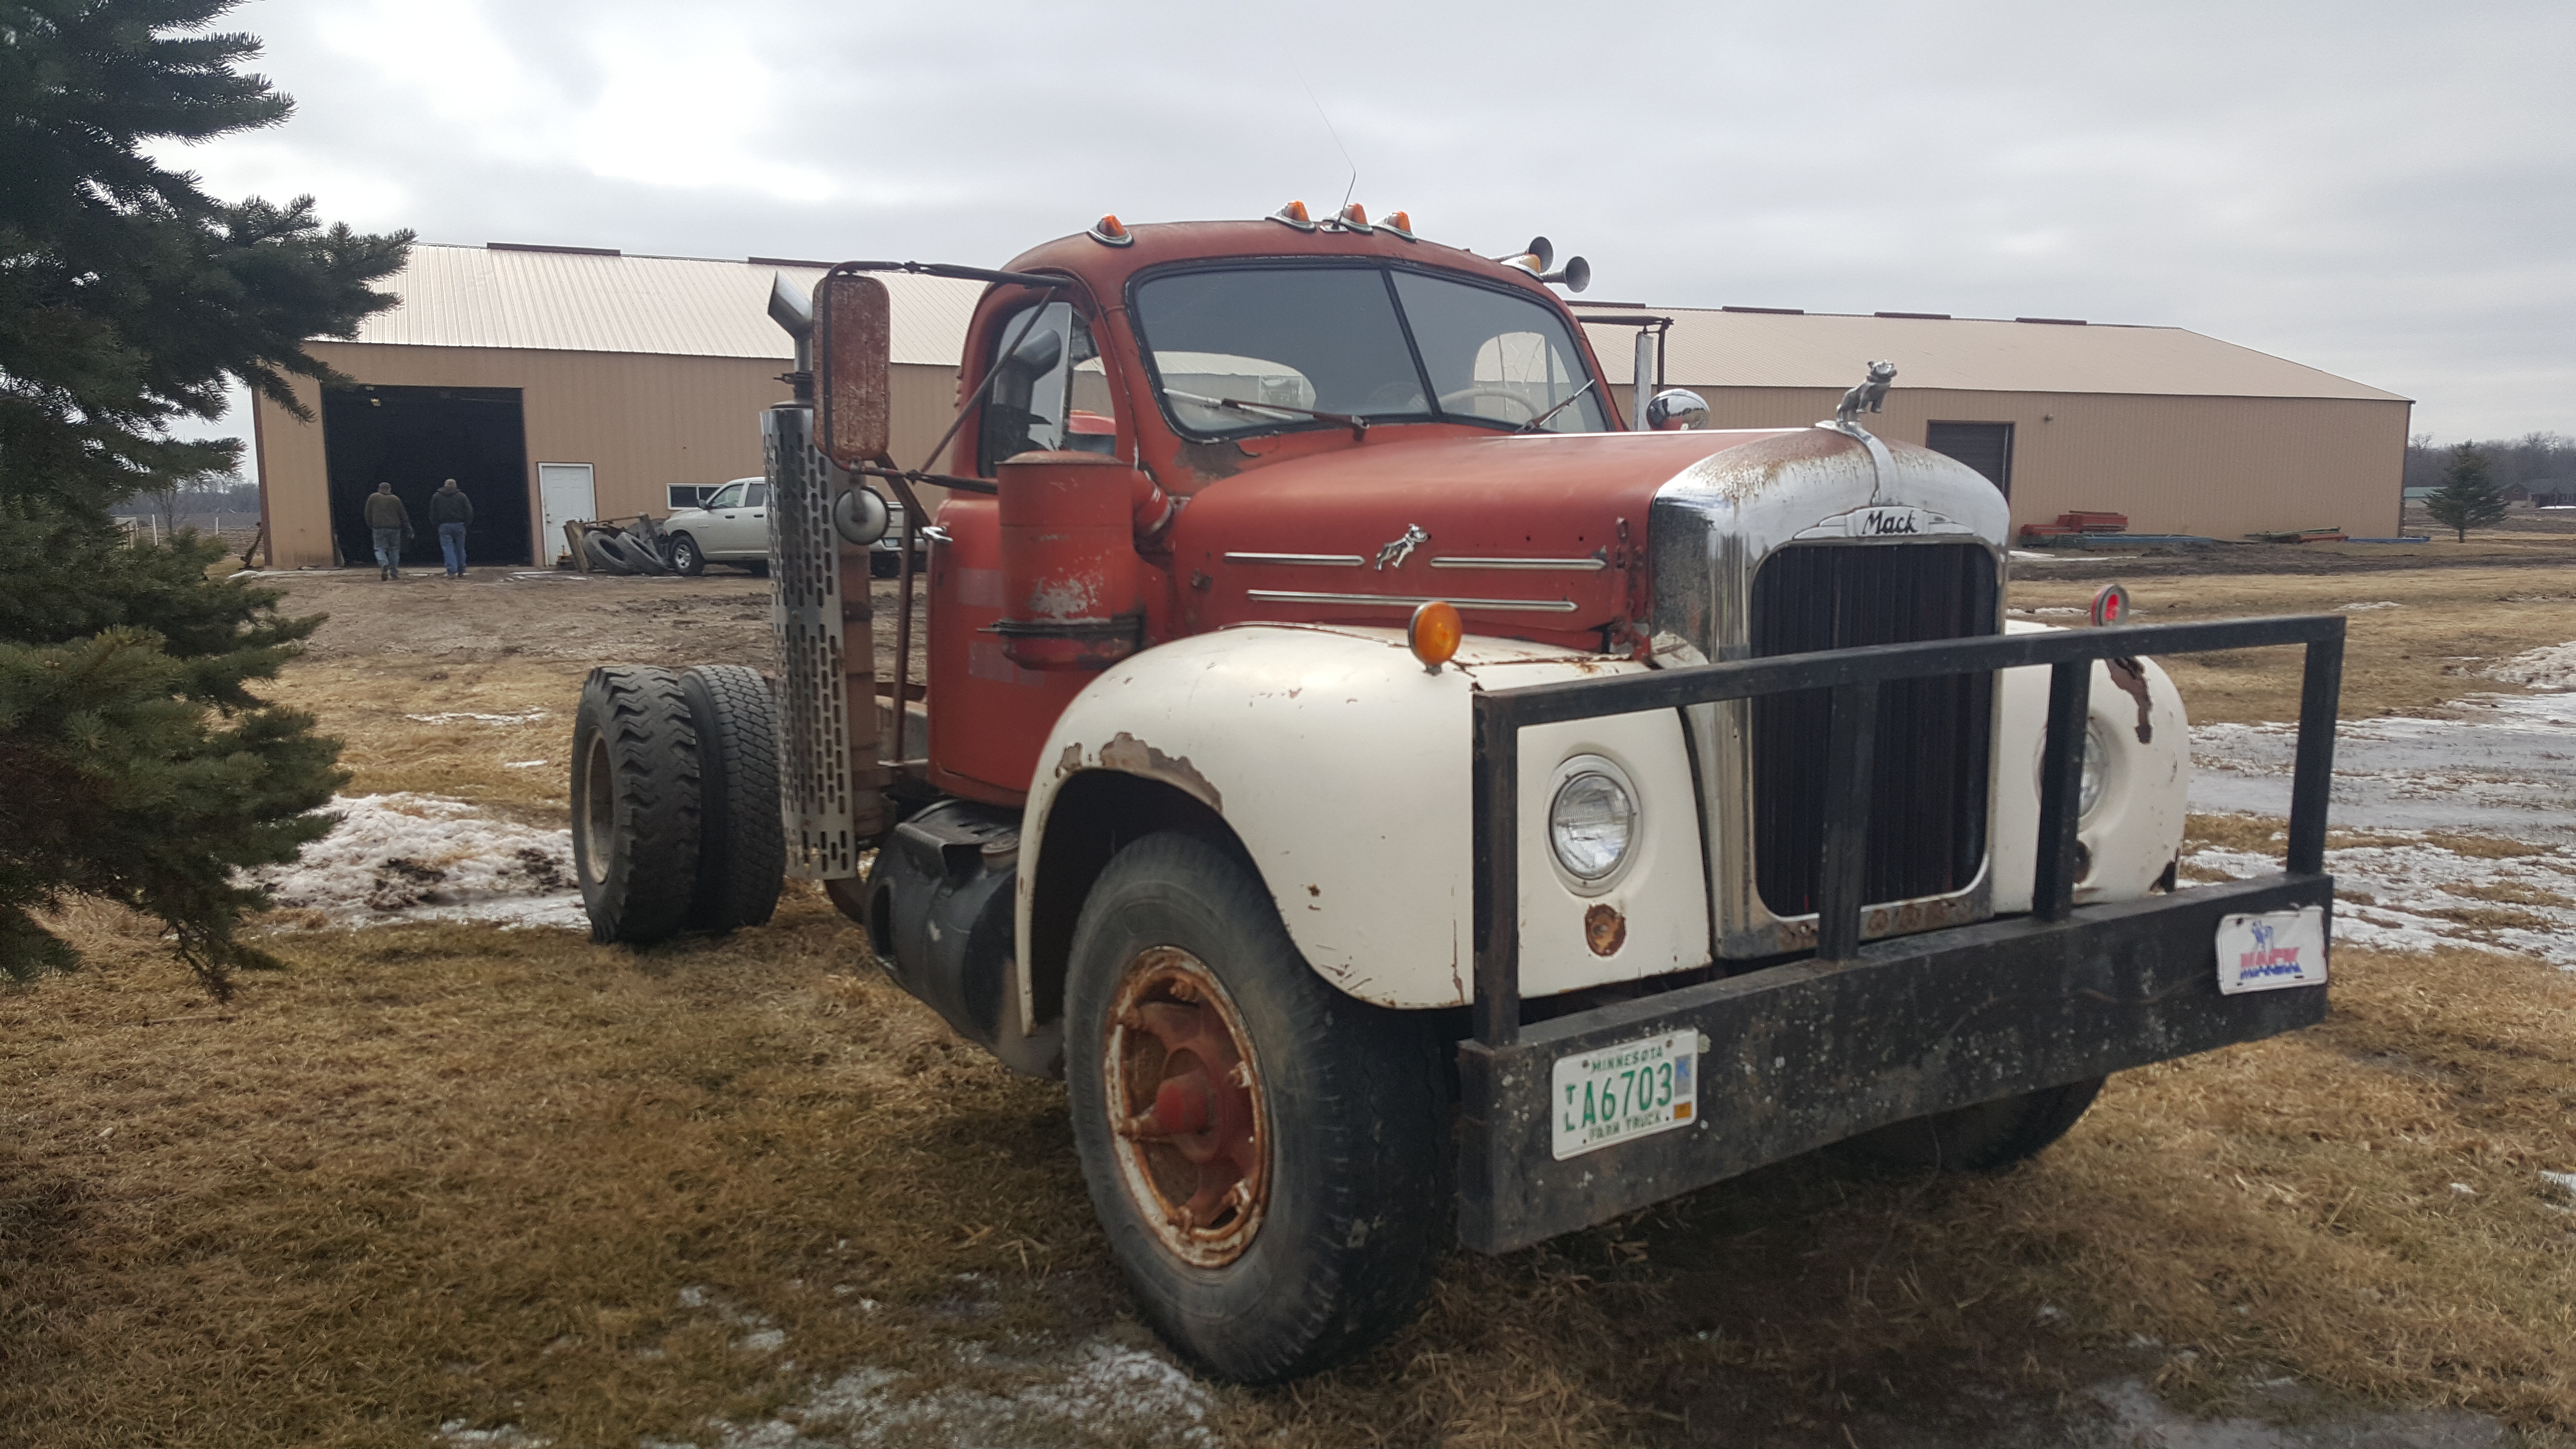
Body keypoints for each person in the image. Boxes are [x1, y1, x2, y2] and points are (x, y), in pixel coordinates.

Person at [362, 482, 412, 580]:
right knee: (394, 549)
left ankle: (384, 564)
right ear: (390, 489)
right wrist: (408, 528)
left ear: (379, 489)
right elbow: (403, 515)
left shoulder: (373, 498)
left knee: (379, 548)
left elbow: (367, 513)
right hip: (395, 529)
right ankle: (394, 572)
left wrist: (371, 525)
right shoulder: (396, 499)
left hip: (378, 528)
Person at [429, 478, 474, 577]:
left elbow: (433, 512)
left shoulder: (437, 496)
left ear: (445, 485)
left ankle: (452, 571)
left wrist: (436, 524)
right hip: (460, 525)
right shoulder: (462, 496)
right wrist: (467, 523)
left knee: (448, 548)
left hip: (444, 526)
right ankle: (462, 569)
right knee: (460, 548)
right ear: (455, 486)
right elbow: (469, 511)